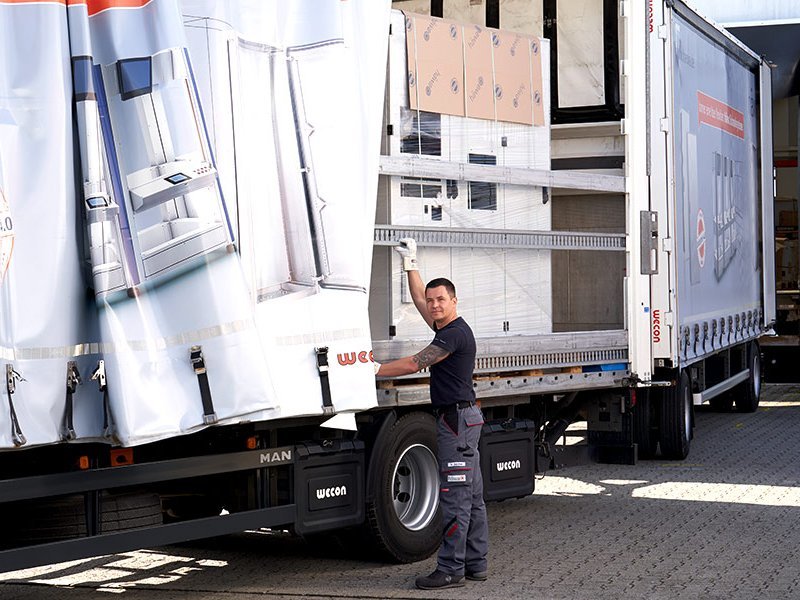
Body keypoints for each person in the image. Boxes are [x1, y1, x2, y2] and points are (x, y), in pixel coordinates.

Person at [373, 238, 489, 590]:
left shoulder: (454, 334)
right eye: (433, 300)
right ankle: (476, 564)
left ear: (455, 302)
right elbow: (422, 298)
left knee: (455, 499)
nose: (434, 305)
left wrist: (371, 370)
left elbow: (413, 363)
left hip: (456, 424)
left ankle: (451, 569)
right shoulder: (445, 324)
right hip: (464, 420)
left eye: (442, 300)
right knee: (473, 497)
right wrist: (411, 263)